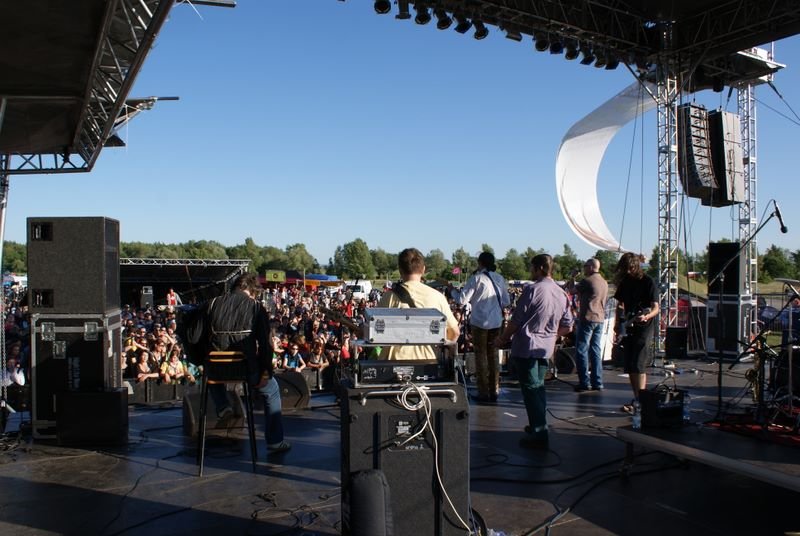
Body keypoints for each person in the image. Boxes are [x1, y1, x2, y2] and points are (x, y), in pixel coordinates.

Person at [190, 272, 290, 453]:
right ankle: (275, 441)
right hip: (247, 370)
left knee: (209, 367)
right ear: (251, 290)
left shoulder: (211, 304)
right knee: (272, 391)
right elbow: (266, 345)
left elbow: (194, 338)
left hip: (216, 371)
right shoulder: (256, 307)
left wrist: (200, 359)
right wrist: (266, 371)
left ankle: (223, 406)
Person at [495, 254, 573, 449]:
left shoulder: (532, 290)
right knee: (538, 387)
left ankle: (539, 432)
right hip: (545, 348)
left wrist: (502, 338)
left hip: (527, 346)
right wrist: (552, 336)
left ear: (539, 268)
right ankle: (538, 424)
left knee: (530, 390)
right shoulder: (561, 293)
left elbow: (516, 320)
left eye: (532, 268)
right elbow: (568, 326)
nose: (530, 271)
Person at [377, 247, 460, 360]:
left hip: (393, 361)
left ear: (400, 270)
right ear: (423, 270)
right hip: (428, 361)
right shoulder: (438, 297)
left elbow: (376, 332)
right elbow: (455, 332)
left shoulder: (389, 296)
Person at [451, 251, 510, 402]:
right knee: (493, 356)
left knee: (481, 356)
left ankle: (483, 392)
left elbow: (462, 300)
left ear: (480, 263)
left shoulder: (476, 279)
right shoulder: (499, 278)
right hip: (496, 322)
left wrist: (452, 291)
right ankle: (494, 390)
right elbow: (506, 302)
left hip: (479, 323)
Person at [613, 252, 659, 413]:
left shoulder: (648, 282)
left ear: (635, 266)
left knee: (639, 364)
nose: (626, 271)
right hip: (629, 325)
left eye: (629, 268)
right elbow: (620, 304)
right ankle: (637, 399)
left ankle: (641, 402)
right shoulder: (625, 282)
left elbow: (656, 308)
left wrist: (646, 316)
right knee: (630, 365)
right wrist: (618, 323)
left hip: (645, 326)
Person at [571, 258, 609, 392]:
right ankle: (597, 382)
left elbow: (571, 290)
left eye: (585, 266)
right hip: (600, 318)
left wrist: (573, 277)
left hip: (588, 317)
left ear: (591, 267)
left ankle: (584, 382)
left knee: (581, 350)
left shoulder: (587, 281)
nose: (584, 268)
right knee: (596, 350)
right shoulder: (604, 282)